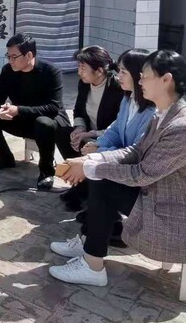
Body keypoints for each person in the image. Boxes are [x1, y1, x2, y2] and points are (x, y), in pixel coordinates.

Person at [48, 50, 186, 287]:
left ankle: (92, 265)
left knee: (103, 183)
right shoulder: (164, 114)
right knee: (102, 180)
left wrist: (90, 168)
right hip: (163, 196)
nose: (140, 82)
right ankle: (91, 251)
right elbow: (136, 151)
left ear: (166, 80)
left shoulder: (184, 127)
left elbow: (142, 173)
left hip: (182, 215)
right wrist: (92, 160)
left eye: (144, 77)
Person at [61, 48, 155, 212]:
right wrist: (97, 143)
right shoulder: (128, 98)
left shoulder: (151, 111)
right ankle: (83, 191)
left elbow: (135, 153)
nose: (119, 76)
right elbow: (116, 128)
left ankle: (95, 206)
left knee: (97, 170)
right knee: (68, 136)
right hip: (109, 147)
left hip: (134, 174)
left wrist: (98, 151)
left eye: (123, 72)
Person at [0, 33, 71, 190]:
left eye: (14, 57)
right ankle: (5, 157)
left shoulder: (50, 72)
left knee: (43, 123)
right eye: (8, 56)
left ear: (29, 55)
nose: (10, 60)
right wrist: (0, 110)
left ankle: (46, 171)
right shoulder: (8, 70)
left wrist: (19, 110)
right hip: (21, 119)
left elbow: (53, 107)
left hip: (49, 122)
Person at [56, 46, 125, 210]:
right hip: (88, 133)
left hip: (107, 139)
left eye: (83, 67)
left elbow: (119, 126)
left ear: (99, 70)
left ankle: (86, 189)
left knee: (88, 145)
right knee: (62, 133)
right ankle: (80, 183)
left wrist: (91, 135)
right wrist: (79, 128)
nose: (79, 72)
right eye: (78, 66)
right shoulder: (84, 84)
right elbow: (78, 110)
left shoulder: (117, 88)